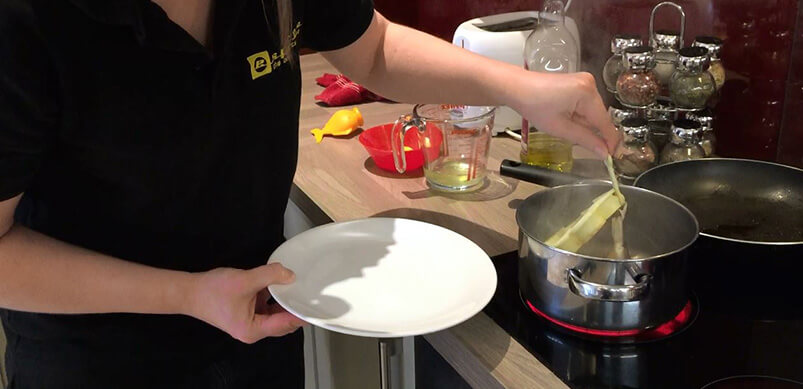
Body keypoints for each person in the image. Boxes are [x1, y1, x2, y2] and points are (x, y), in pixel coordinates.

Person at [0, 0, 619, 388]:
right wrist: (187, 295)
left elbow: (372, 48)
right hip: (98, 358)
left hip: (261, 316)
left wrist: (520, 87)